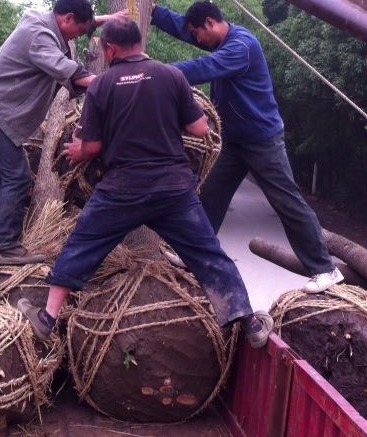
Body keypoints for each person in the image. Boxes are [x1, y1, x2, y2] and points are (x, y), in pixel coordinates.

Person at [17, 17, 273, 348]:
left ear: (109, 48)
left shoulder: (103, 85)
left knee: (82, 246)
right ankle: (249, 322)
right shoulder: (172, 75)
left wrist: (80, 150)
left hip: (121, 189)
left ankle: (47, 318)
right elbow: (199, 130)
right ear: (138, 42)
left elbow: (91, 147)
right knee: (208, 253)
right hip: (173, 189)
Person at [132, 0, 343, 295]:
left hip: (262, 140)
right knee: (209, 195)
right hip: (235, 141)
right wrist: (152, 6)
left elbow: (204, 67)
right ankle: (195, 255)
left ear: (209, 23)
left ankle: (325, 269)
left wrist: (154, 72)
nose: (195, 39)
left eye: (196, 34)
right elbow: (181, 26)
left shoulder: (241, 47)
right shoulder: (218, 39)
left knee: (286, 200)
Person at [0, 0, 109, 265]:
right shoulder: (39, 35)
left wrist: (106, 20)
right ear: (66, 18)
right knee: (18, 177)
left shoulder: (47, 24)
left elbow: (72, 65)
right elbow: (66, 70)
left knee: (9, 171)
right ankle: (5, 246)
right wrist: (111, 85)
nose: (77, 37)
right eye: (79, 30)